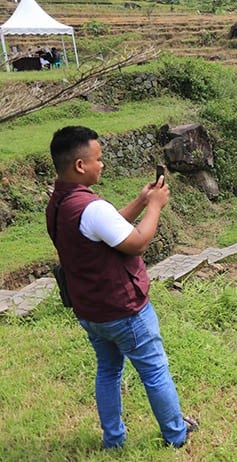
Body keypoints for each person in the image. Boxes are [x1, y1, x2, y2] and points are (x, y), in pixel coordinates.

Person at [44, 126, 197, 449]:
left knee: (109, 371)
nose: (103, 165)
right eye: (98, 159)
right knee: (155, 371)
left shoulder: (59, 204)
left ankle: (113, 439)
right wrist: (155, 206)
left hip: (90, 310)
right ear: (80, 165)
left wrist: (142, 200)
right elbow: (136, 242)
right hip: (123, 310)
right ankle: (176, 434)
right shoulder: (91, 207)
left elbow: (107, 229)